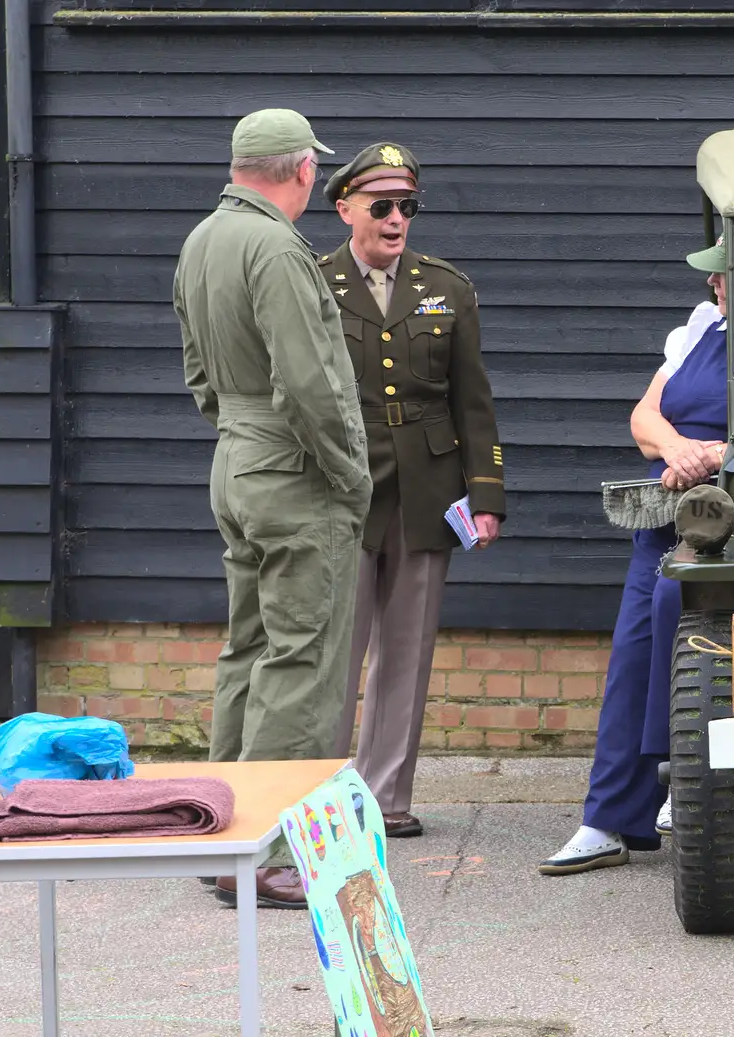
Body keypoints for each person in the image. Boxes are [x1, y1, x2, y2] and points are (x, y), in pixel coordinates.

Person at [173, 108, 371, 909]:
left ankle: (218, 835)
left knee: (246, 650)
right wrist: (351, 475)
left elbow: (197, 371)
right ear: (298, 170)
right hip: (294, 471)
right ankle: (267, 852)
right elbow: (312, 382)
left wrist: (239, 432)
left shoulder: (202, 240)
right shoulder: (278, 248)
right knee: (303, 661)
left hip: (235, 457)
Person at [320, 142, 506, 840]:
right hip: (343, 488)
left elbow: (473, 400)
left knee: (407, 646)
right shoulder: (315, 283)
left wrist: (485, 494)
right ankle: (325, 797)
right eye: (383, 206)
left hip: (428, 488)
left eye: (407, 206)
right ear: (346, 209)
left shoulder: (446, 287)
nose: (397, 219)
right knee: (337, 650)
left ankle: (384, 798)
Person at [537, 237, 732, 875]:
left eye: (729, 275)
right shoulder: (698, 329)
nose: (718, 286)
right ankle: (608, 821)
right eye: (716, 277)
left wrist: (719, 455)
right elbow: (643, 417)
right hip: (665, 511)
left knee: (689, 642)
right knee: (633, 652)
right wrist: (679, 449)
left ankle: (683, 787)